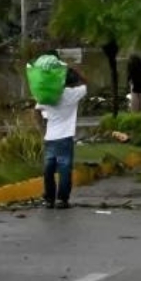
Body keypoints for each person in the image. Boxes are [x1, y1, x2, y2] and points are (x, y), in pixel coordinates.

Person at [38, 65, 87, 209]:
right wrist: (76, 70)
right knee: (64, 168)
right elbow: (85, 84)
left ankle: (49, 198)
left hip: (50, 137)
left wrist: (42, 130)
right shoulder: (73, 94)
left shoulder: (48, 94)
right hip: (65, 137)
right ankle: (62, 199)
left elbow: (37, 111)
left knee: (48, 168)